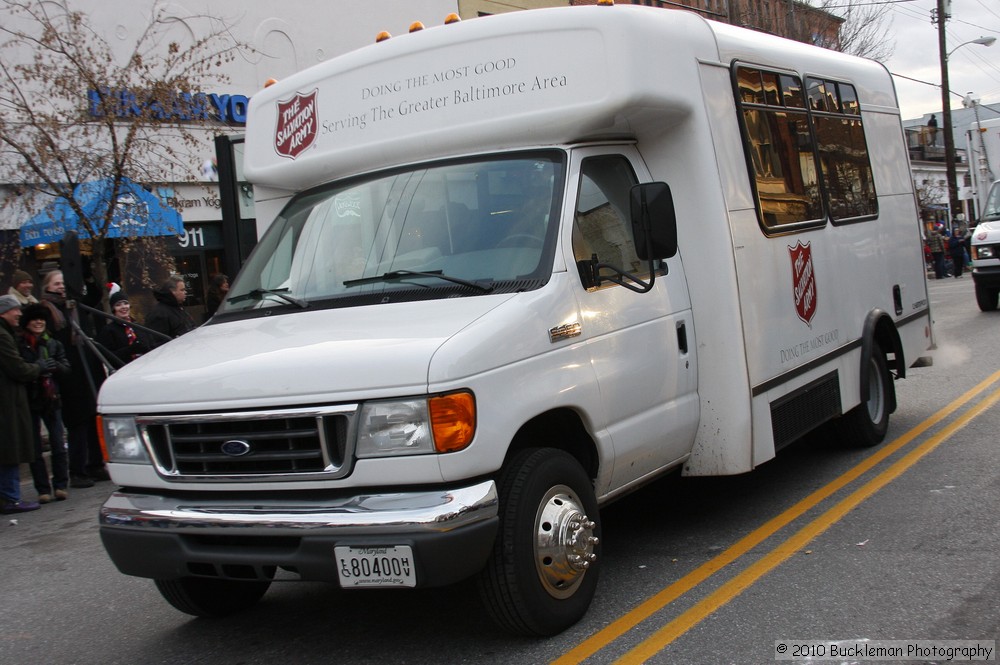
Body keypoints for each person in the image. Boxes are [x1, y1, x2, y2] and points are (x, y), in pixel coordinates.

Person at [38, 270, 108, 488]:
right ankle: (77, 470)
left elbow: (95, 294)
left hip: (87, 368)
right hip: (69, 371)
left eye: (63, 283)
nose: (61, 287)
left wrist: (86, 275)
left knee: (91, 416)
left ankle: (95, 464)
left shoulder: (74, 305)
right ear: (47, 287)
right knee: (77, 422)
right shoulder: (48, 310)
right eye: (56, 283)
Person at [18, 304, 71, 503]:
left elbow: (66, 368)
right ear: (27, 323)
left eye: (41, 319)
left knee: (58, 443)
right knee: (35, 448)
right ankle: (42, 489)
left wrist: (56, 366)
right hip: (31, 400)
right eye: (34, 319)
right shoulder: (20, 344)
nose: (39, 322)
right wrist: (37, 368)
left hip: (51, 399)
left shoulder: (54, 343)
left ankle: (60, 485)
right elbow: (19, 369)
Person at [0, 294, 47, 514]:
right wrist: (38, 367)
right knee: (10, 447)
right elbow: (17, 368)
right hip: (7, 401)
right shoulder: (2, 336)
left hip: (9, 398)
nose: (19, 313)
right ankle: (11, 498)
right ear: (4, 312)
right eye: (15, 310)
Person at [96, 291, 153, 365]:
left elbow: (152, 345)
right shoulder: (108, 330)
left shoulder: (139, 326)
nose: (123, 307)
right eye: (118, 305)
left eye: (126, 303)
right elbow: (108, 357)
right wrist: (131, 349)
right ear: (113, 309)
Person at [146, 275, 195, 343]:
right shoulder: (159, 313)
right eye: (182, 290)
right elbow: (158, 342)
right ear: (172, 291)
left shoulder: (179, 308)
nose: (185, 292)